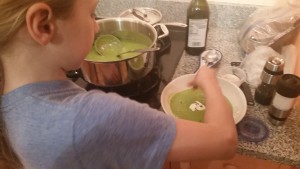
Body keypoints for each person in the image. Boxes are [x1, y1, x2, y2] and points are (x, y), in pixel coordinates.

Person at [0, 0, 238, 168]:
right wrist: (208, 77)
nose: (96, 26)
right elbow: (224, 140)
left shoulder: (9, 98)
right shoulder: (96, 117)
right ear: (43, 25)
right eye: (92, 14)